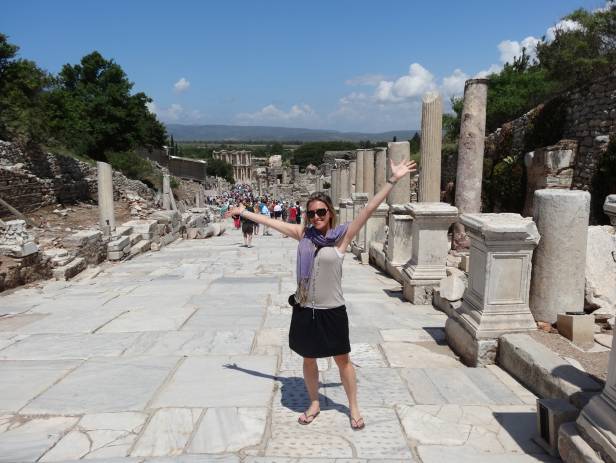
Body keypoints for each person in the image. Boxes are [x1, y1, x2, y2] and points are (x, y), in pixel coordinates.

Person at [225, 157, 417, 430]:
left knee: (343, 361)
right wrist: (243, 212)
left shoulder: (342, 237)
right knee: (308, 357)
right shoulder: (302, 234)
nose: (316, 217)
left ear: (330, 214)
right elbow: (268, 222)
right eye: (311, 213)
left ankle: (353, 407)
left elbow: (369, 208)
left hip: (332, 311)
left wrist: (392, 179)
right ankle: (314, 402)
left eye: (321, 212)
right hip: (304, 309)